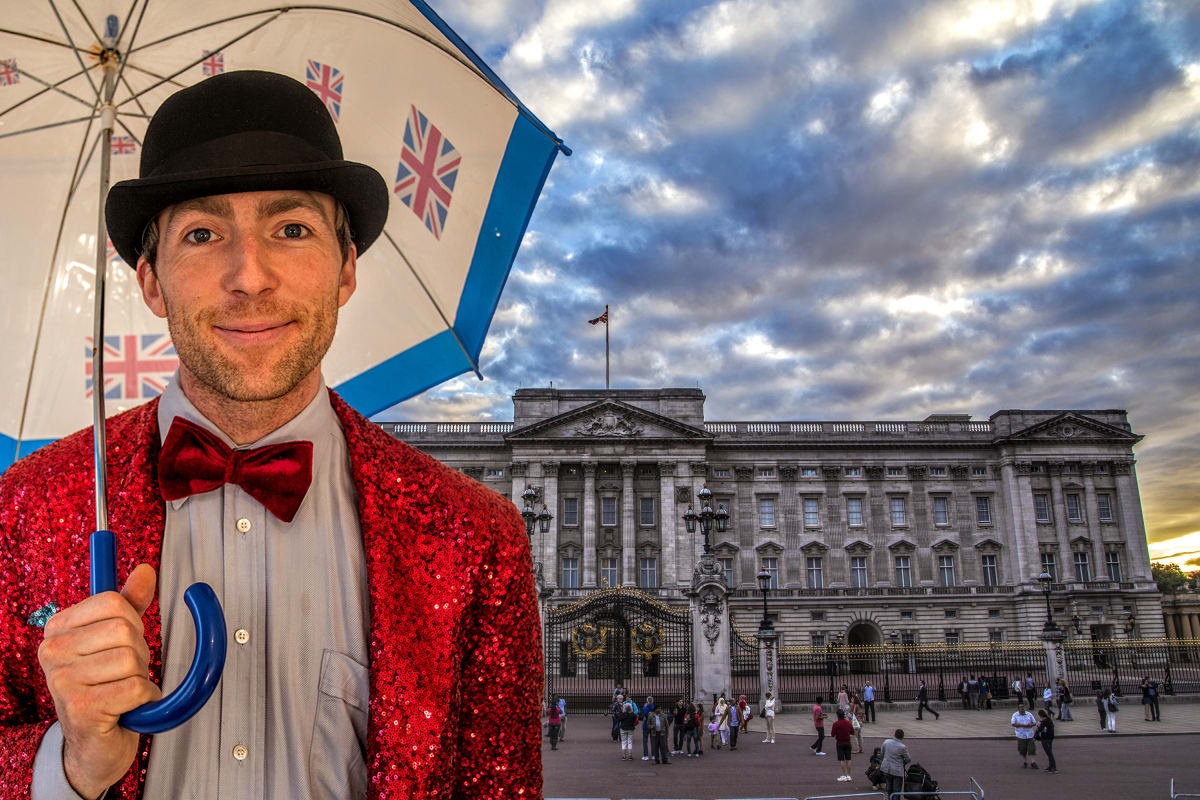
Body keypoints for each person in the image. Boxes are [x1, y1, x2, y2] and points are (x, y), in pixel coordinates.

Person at [5, 70, 539, 800]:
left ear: (346, 270)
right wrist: (67, 766)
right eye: (201, 234)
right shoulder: (21, 510)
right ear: (152, 281)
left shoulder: (477, 536)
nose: (249, 276)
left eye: (291, 230)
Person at [880, 729, 910, 799]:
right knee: (896, 791)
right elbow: (908, 759)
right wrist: (903, 762)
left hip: (886, 768)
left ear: (894, 734)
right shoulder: (903, 747)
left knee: (889, 789)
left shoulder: (886, 742)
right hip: (897, 771)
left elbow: (882, 754)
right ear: (902, 737)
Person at [1011, 702, 1038, 769]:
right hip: (1021, 734)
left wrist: (1030, 725)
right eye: (1021, 710)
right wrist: (1021, 725)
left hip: (1029, 734)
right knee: (1022, 749)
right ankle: (1025, 761)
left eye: (1023, 710)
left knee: (1032, 749)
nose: (1022, 711)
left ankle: (1033, 762)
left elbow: (1034, 722)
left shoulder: (1029, 714)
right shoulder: (1015, 715)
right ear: (1018, 710)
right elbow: (1013, 724)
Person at [831, 709, 855, 782]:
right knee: (848, 759)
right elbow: (853, 732)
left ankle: (843, 775)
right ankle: (849, 775)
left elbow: (832, 734)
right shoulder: (848, 723)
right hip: (848, 742)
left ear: (837, 715)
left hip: (840, 743)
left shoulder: (836, 724)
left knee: (841, 759)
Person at [1035, 709, 1057, 773]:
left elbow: (1040, 729)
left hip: (1045, 738)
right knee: (1049, 752)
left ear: (1040, 715)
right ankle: (1050, 766)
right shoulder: (1049, 719)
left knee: (1049, 753)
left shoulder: (1044, 721)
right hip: (1050, 738)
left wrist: (1038, 725)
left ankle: (1054, 767)